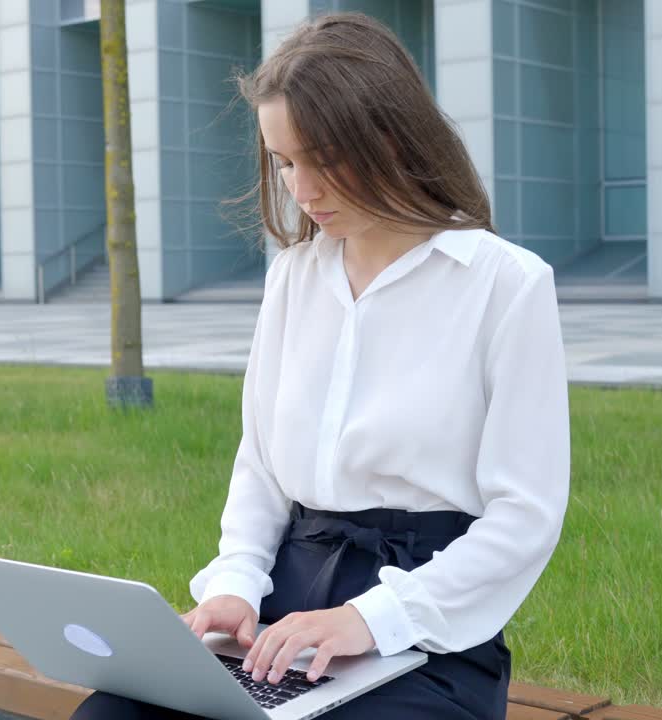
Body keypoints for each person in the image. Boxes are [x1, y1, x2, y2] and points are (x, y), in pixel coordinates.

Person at [72, 11, 569, 720]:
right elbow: (262, 465)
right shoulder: (294, 278)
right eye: (283, 163)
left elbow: (525, 517)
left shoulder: (505, 285)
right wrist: (235, 586)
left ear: (391, 135)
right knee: (112, 715)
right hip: (282, 611)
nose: (301, 191)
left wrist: (368, 619)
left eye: (320, 158)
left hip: (427, 632)